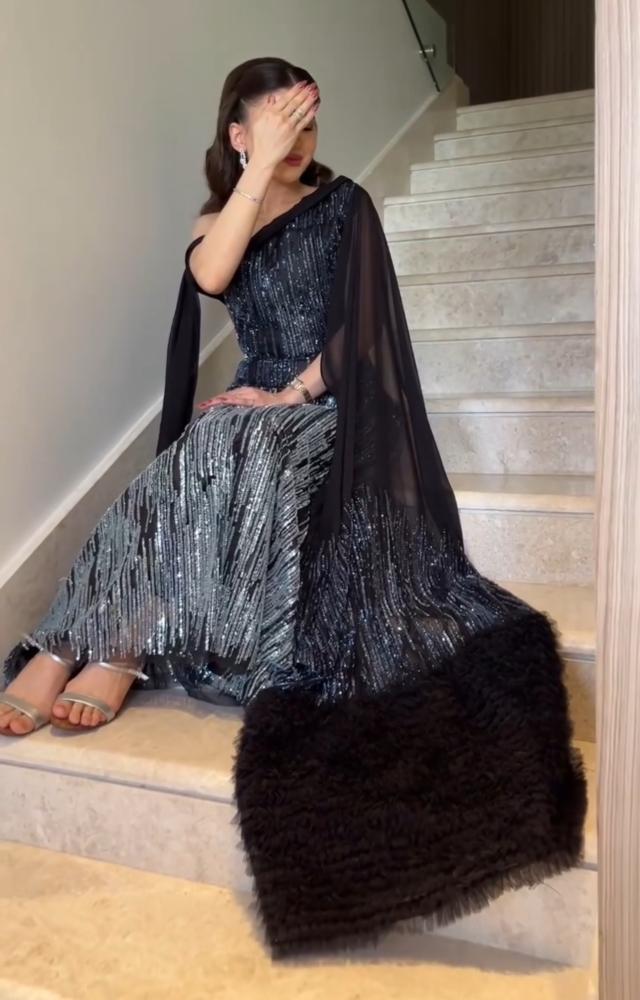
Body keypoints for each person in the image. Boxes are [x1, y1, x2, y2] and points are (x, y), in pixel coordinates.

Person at [1, 56, 587, 957]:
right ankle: (90, 641)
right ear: (238, 134)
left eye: (307, 123)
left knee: (244, 439)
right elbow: (211, 278)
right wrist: (257, 174)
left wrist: (292, 394)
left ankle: (103, 646)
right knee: (200, 446)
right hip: (253, 397)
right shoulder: (217, 219)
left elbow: (364, 328)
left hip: (331, 401)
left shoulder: (346, 205)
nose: (299, 138)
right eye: (278, 122)